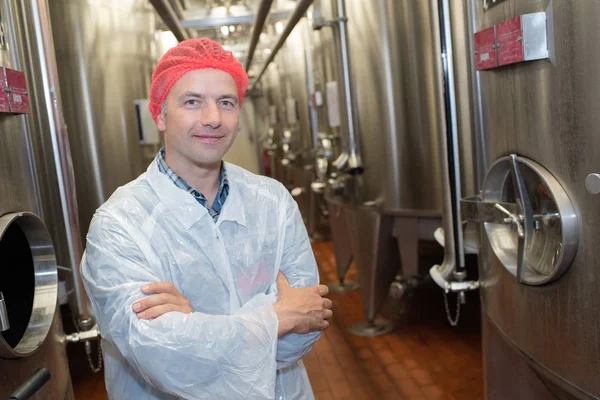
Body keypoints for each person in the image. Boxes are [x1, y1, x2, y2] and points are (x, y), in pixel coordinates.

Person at [80, 37, 332, 400]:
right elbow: (163, 358)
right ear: (160, 114)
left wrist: (195, 325)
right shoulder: (118, 225)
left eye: (226, 102)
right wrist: (275, 316)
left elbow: (305, 325)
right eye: (192, 101)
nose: (213, 119)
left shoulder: (273, 201)